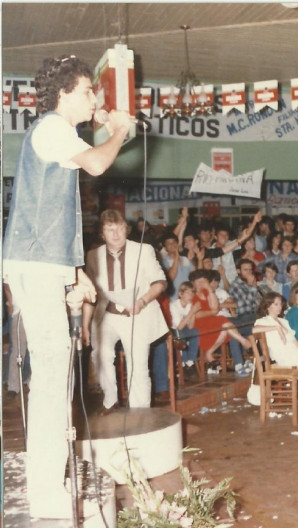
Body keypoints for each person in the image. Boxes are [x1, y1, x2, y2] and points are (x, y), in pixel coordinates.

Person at [1, 55, 133, 518]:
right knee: (53, 376)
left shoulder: (59, 132)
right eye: (88, 91)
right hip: (33, 266)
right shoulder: (54, 127)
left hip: (43, 264)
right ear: (65, 95)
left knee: (58, 375)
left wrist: (75, 272)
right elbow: (99, 164)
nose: (95, 98)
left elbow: (56, 216)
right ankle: (44, 489)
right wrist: (120, 129)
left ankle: (47, 480)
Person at [84, 208, 169, 414]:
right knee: (101, 355)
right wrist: (86, 326)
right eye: (109, 229)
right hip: (108, 315)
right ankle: (110, 401)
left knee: (137, 365)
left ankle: (140, 411)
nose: (116, 234)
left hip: (138, 312)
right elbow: (89, 295)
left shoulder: (144, 250)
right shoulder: (93, 256)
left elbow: (160, 283)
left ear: (126, 229)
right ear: (102, 233)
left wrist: (142, 300)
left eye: (120, 228)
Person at [168, 281, 201, 381]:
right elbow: (179, 327)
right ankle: (182, 363)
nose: (191, 295)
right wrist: (192, 311)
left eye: (192, 293)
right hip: (172, 331)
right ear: (180, 294)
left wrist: (194, 312)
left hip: (183, 328)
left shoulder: (190, 305)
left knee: (195, 332)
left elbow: (190, 327)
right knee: (181, 335)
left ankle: (190, 362)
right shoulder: (174, 305)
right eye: (188, 293)